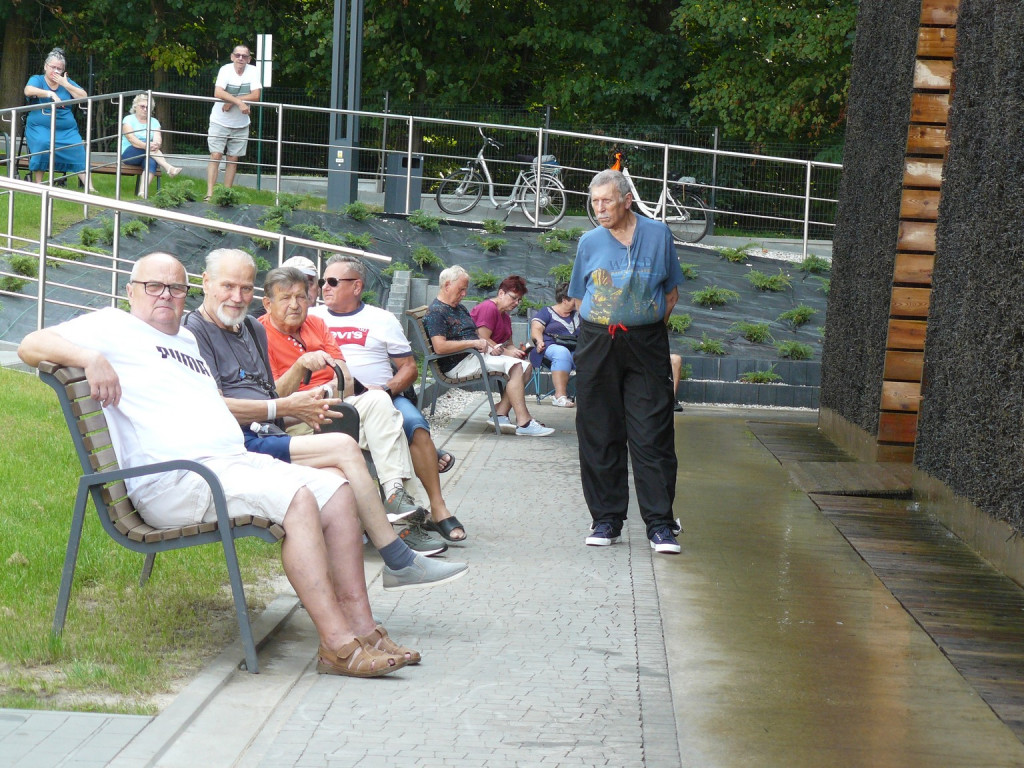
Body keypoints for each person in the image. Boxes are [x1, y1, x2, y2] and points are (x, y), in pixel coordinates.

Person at [17, 252, 415, 677]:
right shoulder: (113, 326)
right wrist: (91, 359)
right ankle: (337, 647)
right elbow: (30, 345)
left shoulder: (185, 341)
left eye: (174, 287)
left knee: (336, 490)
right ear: (131, 290)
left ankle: (362, 627)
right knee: (298, 498)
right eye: (154, 286)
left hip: (230, 464)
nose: (165, 296)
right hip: (177, 480)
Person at [182, 249, 470, 584]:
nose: (237, 296)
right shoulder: (197, 332)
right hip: (249, 442)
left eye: (244, 288)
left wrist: (308, 399)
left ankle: (392, 512)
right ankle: (396, 557)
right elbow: (219, 407)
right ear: (205, 282)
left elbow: (281, 390)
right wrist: (291, 400)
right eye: (228, 286)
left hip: (288, 423)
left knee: (373, 417)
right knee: (344, 458)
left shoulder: (251, 330)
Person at [255, 265, 440, 535]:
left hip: (335, 405)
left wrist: (326, 394)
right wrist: (299, 368)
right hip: (297, 418)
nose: (295, 305)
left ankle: (394, 496)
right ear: (267, 304)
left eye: (301, 297)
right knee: (390, 431)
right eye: (286, 298)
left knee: (378, 400)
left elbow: (346, 379)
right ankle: (407, 527)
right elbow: (270, 400)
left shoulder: (316, 324)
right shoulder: (259, 336)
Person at [311, 254, 468, 542]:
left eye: (332, 281)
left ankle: (438, 507)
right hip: (333, 399)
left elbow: (408, 368)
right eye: (323, 281)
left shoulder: (380, 319)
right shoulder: (312, 318)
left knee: (415, 425)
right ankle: (404, 514)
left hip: (383, 396)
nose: (324, 287)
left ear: (356, 286)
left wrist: (385, 391)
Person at [569, 169, 685, 554]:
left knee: (652, 432)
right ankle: (606, 519)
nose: (599, 208)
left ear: (626, 200)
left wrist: (645, 327)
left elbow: (670, 294)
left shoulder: (658, 234)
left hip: (646, 342)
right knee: (599, 430)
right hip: (597, 341)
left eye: (606, 201)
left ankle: (660, 525)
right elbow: (578, 297)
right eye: (595, 201)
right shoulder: (588, 242)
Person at [425, 265, 554, 437]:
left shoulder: (458, 308)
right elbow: (440, 346)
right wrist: (476, 343)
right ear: (447, 285)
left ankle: (500, 414)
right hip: (458, 363)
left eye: (465, 289)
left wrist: (489, 347)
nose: (464, 294)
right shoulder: (437, 312)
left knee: (525, 366)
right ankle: (523, 422)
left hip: (474, 356)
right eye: (461, 289)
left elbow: (477, 333)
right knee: (517, 366)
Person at [23, 48, 92, 190]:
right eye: (52, 67)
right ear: (45, 67)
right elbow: (28, 90)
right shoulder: (37, 79)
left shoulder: (66, 82)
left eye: (59, 69)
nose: (55, 71)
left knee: (77, 147)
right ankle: (40, 184)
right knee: (43, 142)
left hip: (65, 129)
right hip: (40, 126)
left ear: (63, 71)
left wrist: (65, 84)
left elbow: (84, 96)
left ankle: (89, 187)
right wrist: (49, 93)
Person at [206, 45, 261, 200]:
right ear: (232, 57)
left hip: (241, 123)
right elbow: (218, 92)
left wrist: (234, 102)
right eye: (237, 55)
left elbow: (256, 95)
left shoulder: (253, 71)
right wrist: (239, 101)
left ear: (249, 59)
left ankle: (225, 195)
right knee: (215, 155)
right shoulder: (225, 69)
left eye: (244, 56)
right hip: (219, 120)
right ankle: (209, 194)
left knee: (233, 158)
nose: (241, 58)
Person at [528, 282, 579, 408]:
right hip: (549, 347)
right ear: (564, 300)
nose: (578, 301)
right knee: (562, 352)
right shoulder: (547, 312)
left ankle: (591, 398)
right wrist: (539, 341)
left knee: (589, 356)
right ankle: (560, 396)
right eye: (575, 298)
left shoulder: (579, 314)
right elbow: (536, 329)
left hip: (576, 348)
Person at [120, 94, 182, 193]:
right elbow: (132, 139)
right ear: (135, 107)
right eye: (142, 106)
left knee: (151, 162)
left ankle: (142, 193)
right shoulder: (128, 119)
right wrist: (147, 145)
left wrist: (156, 144)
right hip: (129, 153)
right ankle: (168, 167)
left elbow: (158, 139)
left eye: (148, 107)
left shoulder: (154, 122)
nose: (145, 109)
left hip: (148, 151)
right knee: (149, 148)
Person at [470, 275, 529, 359]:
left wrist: (517, 352)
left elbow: (509, 344)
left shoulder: (506, 317)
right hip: (479, 355)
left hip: (496, 355)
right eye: (514, 298)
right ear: (501, 293)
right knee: (522, 366)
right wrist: (508, 353)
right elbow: (483, 338)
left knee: (524, 364)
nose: (516, 303)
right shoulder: (488, 308)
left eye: (519, 300)